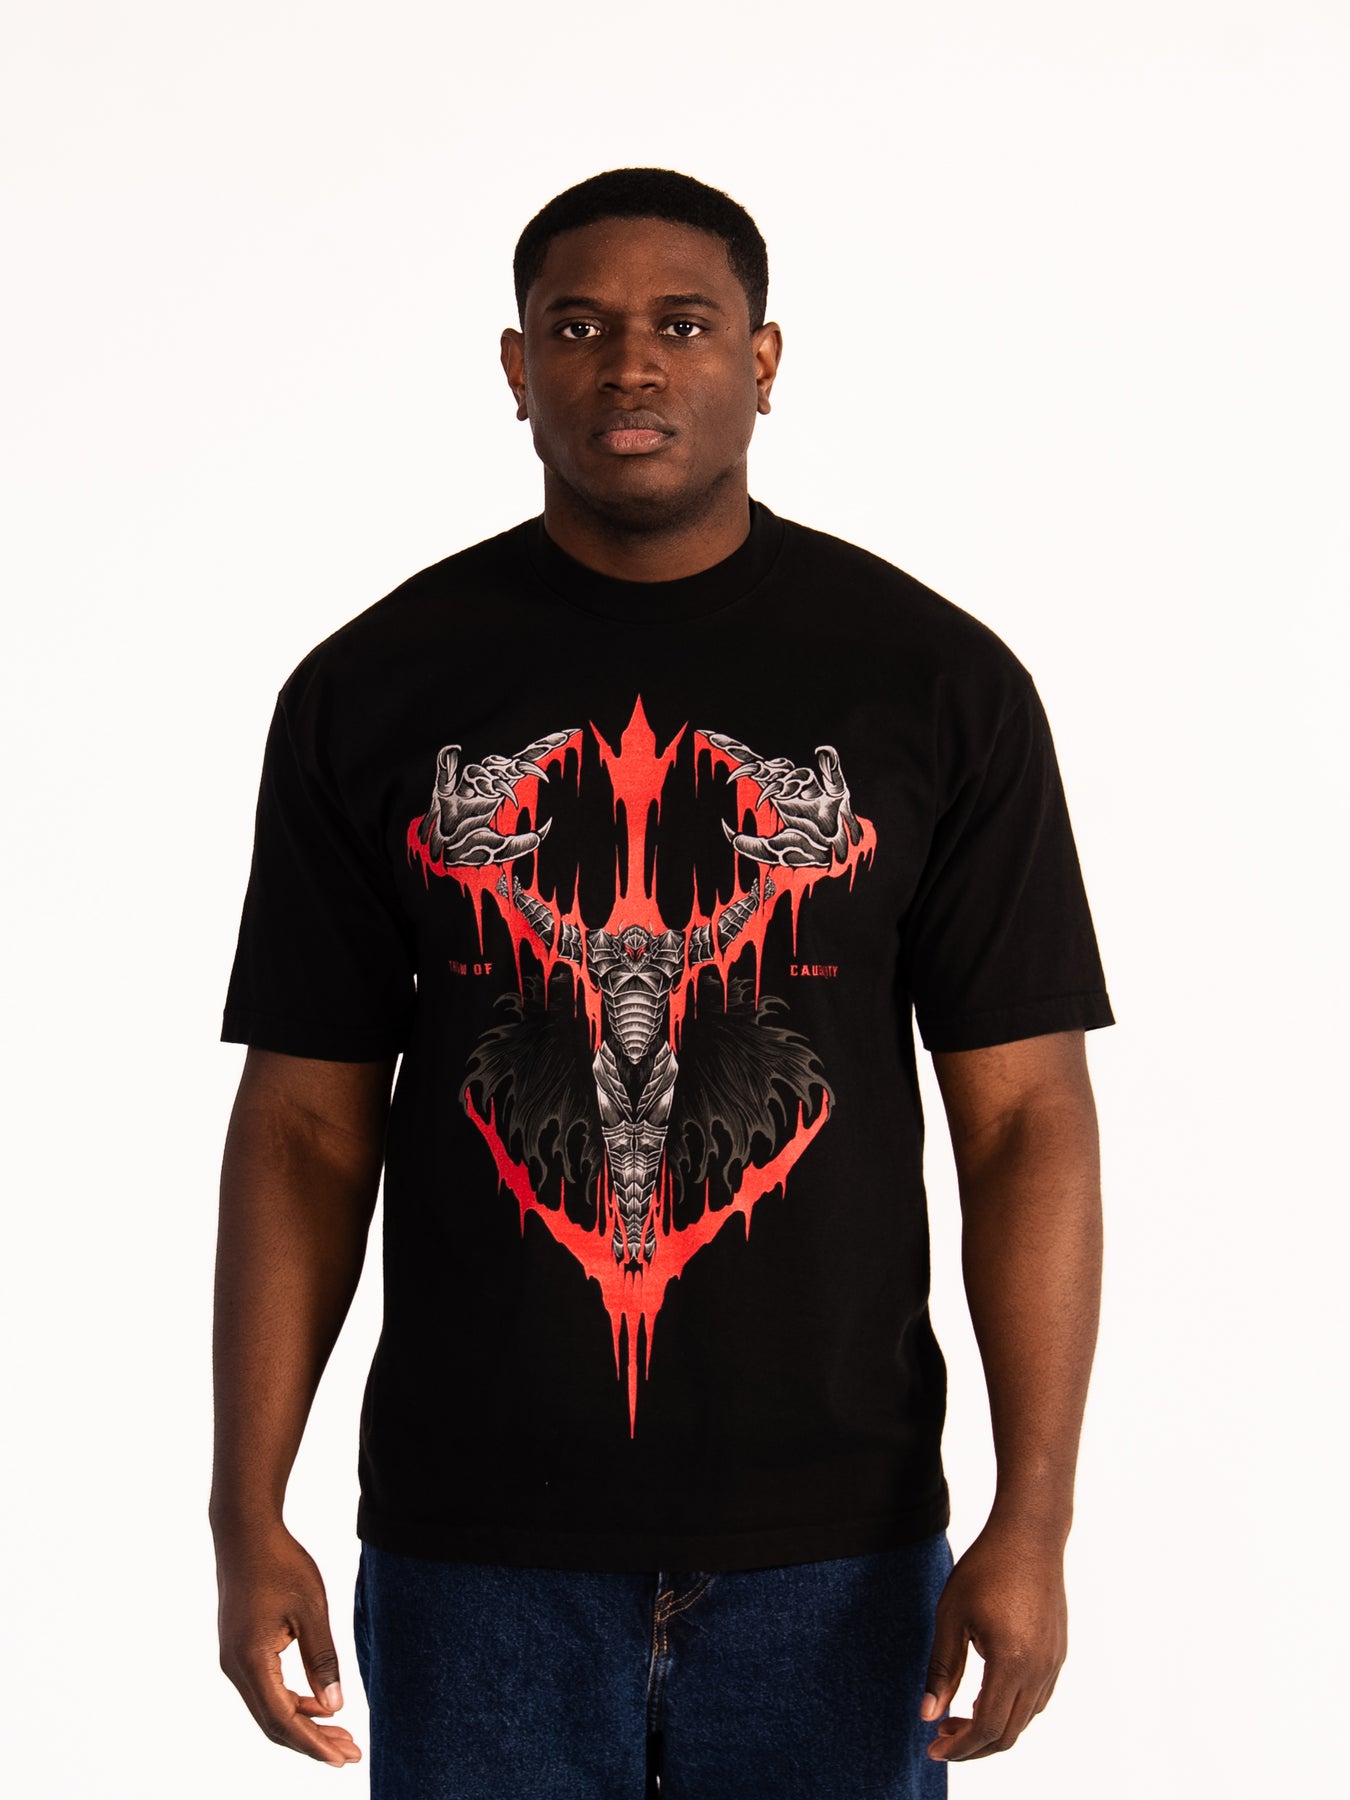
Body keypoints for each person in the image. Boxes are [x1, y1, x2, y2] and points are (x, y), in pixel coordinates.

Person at [211, 167, 1112, 1799]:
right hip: (473, 1550)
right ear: (515, 368)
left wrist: (1032, 1519)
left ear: (762, 361)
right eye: (578, 328)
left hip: (837, 1553)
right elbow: (303, 1130)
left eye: (682, 325)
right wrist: (243, 1507)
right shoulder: (370, 689)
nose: (629, 364)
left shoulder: (935, 682)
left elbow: (1024, 1123)